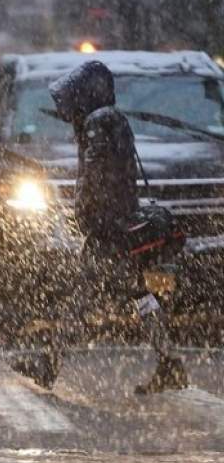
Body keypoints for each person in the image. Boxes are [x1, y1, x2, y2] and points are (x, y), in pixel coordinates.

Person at [14, 60, 188, 394]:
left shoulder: (98, 123)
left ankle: (50, 364)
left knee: (81, 299)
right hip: (119, 225)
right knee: (138, 295)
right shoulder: (111, 119)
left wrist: (91, 218)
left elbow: (95, 178)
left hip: (108, 231)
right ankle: (170, 362)